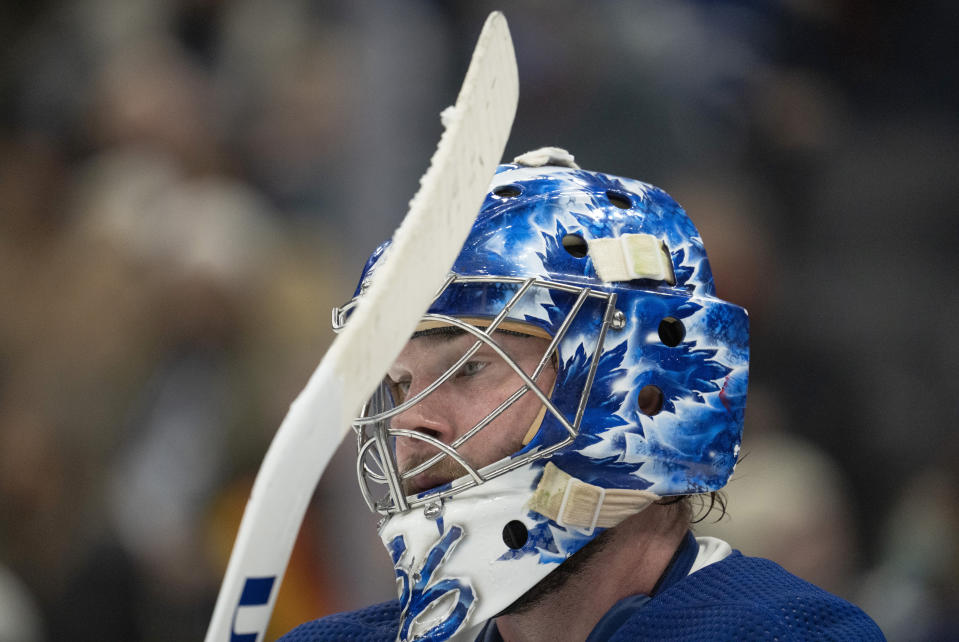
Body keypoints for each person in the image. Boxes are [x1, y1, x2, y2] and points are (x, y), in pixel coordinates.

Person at [280, 148, 884, 641]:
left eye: (468, 368)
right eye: (400, 383)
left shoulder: (784, 634)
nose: (413, 424)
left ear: (641, 387)